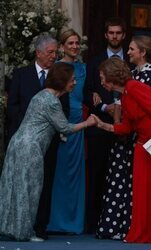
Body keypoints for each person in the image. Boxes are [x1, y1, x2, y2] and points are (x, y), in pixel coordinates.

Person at [93, 57, 151, 243]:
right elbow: (127, 127)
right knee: (143, 189)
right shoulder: (125, 95)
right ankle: (149, 232)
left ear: (111, 77)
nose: (101, 81)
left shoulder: (135, 87)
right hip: (143, 143)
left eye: (103, 77)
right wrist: (103, 125)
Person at [0, 63, 95, 241]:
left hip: (19, 144)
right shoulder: (51, 101)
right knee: (30, 190)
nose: (74, 83)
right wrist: (88, 123)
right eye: (72, 79)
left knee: (17, 188)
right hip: (30, 147)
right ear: (63, 81)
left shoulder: (43, 95)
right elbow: (65, 127)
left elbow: (49, 125)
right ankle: (24, 233)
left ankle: (15, 228)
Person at [96, 35, 151, 240]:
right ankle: (114, 226)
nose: (128, 52)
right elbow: (120, 105)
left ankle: (129, 226)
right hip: (123, 132)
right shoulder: (131, 75)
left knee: (131, 182)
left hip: (137, 136)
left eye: (132, 49)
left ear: (142, 52)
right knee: (118, 179)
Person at [6, 33, 69, 240]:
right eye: (50, 52)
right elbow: (12, 106)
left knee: (45, 183)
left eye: (55, 52)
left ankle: (39, 227)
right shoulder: (21, 74)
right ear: (38, 52)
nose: (54, 56)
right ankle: (15, 227)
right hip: (24, 141)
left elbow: (64, 109)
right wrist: (25, 131)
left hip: (48, 142)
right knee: (19, 184)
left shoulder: (58, 75)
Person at [85, 17, 128, 233]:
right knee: (97, 173)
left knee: (123, 175)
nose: (114, 36)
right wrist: (104, 108)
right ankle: (94, 223)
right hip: (100, 125)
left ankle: (122, 221)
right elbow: (87, 92)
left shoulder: (131, 59)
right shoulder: (94, 61)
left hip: (128, 128)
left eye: (118, 33)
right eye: (111, 33)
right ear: (105, 35)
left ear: (123, 35)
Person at [47, 29, 86, 234]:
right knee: (58, 172)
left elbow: (87, 93)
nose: (74, 47)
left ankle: (74, 222)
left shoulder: (84, 69)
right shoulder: (55, 68)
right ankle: (54, 221)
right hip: (58, 121)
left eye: (77, 43)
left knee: (75, 174)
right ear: (62, 46)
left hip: (79, 123)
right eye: (70, 43)